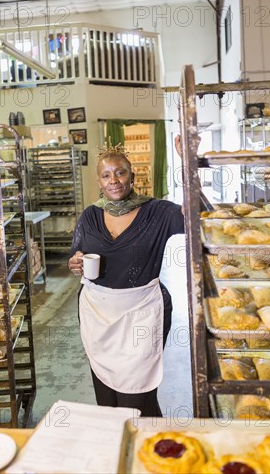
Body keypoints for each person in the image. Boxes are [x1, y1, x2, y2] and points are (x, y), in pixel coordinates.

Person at [68, 139, 184, 417]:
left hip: (141, 310)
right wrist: (75, 264)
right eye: (106, 175)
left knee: (138, 396)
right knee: (106, 396)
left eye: (120, 172)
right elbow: (76, 256)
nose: (114, 180)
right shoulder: (90, 216)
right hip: (97, 312)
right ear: (99, 180)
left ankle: (151, 451)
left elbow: (197, 216)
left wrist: (188, 162)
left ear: (132, 176)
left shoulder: (158, 212)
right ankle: (116, 447)